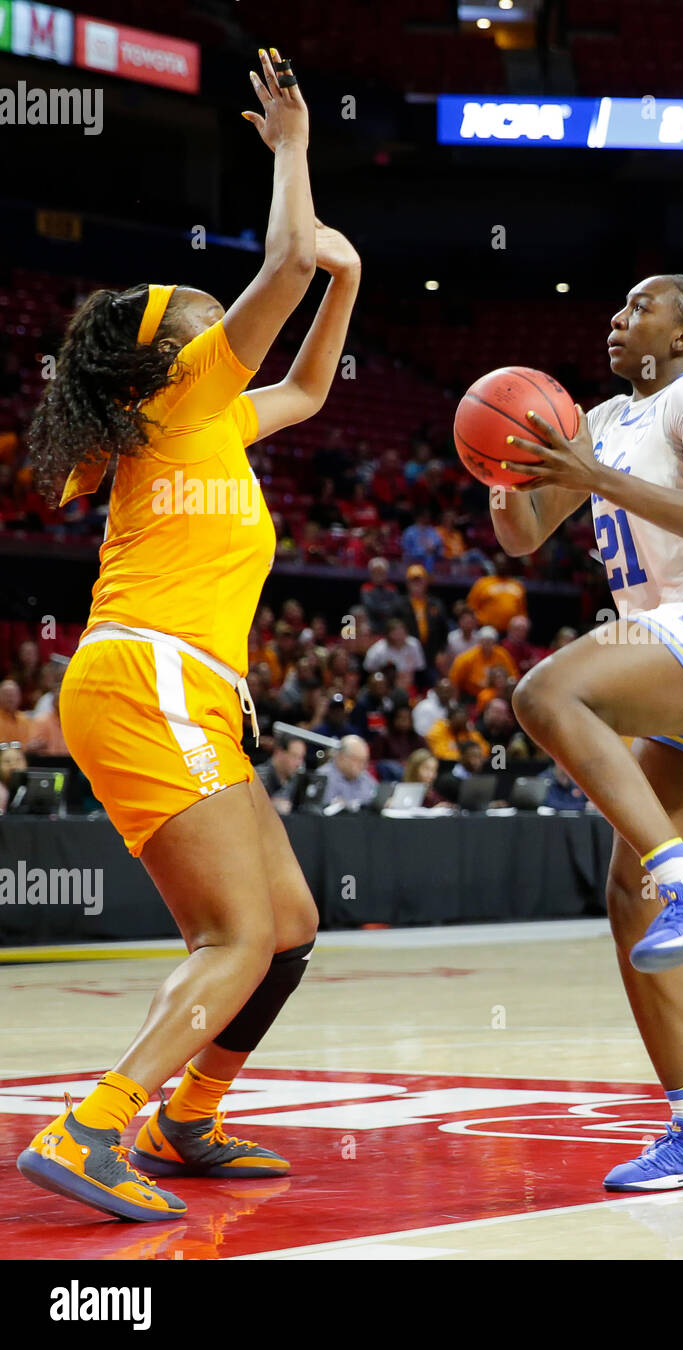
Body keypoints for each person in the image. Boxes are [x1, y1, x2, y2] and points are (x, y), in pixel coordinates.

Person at [16, 48, 355, 1222]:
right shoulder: (178, 397)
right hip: (151, 672)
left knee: (291, 925)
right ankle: (93, 1123)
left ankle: (188, 1118)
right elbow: (281, 262)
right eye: (211, 327)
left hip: (179, 685)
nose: (232, 335)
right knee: (239, 931)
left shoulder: (198, 421)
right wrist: (294, 154)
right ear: (169, 356)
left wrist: (343, 284)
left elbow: (307, 390)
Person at [494, 272, 683, 1190]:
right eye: (618, 302)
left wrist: (595, 475)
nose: (619, 314)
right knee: (631, 901)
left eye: (643, 305)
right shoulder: (596, 419)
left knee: (548, 696)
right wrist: (500, 467)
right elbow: (521, 536)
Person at [449, 626, 518, 701]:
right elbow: (454, 680)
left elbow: (513, 676)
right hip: (472, 696)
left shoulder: (502, 655)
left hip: (499, 695)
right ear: (480, 642)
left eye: (490, 641)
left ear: (494, 642)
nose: (487, 644)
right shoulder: (466, 658)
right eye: (485, 641)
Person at [467, 552, 528, 632]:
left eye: (504, 564)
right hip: (487, 629)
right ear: (494, 565)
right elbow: (471, 608)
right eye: (499, 563)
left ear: (508, 565)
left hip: (511, 632)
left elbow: (522, 612)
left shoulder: (517, 585)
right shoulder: (483, 583)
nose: (501, 566)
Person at [362, 617, 426, 688]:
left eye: (401, 633)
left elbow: (420, 668)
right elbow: (368, 670)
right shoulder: (377, 651)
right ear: (388, 635)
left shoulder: (414, 644)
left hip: (412, 684)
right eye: (395, 634)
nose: (399, 637)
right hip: (387, 686)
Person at [321, 734, 378, 810]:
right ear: (341, 757)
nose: (362, 766)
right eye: (357, 760)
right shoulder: (324, 776)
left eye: (364, 761)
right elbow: (325, 805)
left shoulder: (364, 777)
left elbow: (375, 797)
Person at [257, 733, 306, 815]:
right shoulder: (257, 777)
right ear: (279, 753)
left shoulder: (296, 780)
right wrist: (271, 804)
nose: (299, 763)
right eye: (294, 756)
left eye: (301, 758)